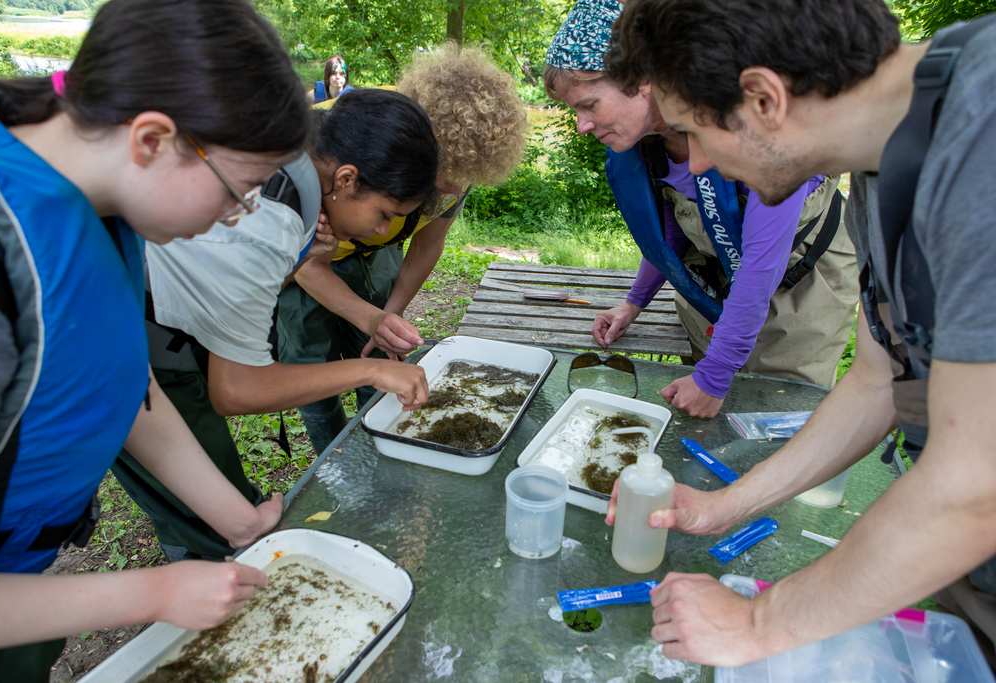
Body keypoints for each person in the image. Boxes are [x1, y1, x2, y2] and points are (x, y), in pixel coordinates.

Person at [603, 0, 996, 668]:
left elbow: (974, 485)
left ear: (763, 98)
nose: (694, 165)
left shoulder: (979, 136)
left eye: (696, 131)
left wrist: (760, 619)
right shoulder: (892, 151)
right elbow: (875, 380)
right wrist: (726, 505)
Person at [0, 0, 310, 679]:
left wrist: (238, 524)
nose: (234, 219)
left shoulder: (101, 199)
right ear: (152, 139)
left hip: (23, 578)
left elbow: (125, 384)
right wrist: (150, 590)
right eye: (238, 191)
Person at [114, 89, 439, 562]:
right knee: (210, 519)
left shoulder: (295, 158)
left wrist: (307, 252)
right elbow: (237, 390)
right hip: (136, 348)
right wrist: (370, 372)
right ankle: (196, 571)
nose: (377, 233)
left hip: (159, 336)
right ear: (346, 178)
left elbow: (242, 289)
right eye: (384, 214)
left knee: (213, 500)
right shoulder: (275, 215)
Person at [544, 0, 859, 418]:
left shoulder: (762, 125)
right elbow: (669, 233)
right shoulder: (648, 138)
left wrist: (715, 375)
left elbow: (760, 267)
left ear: (642, 78)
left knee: (779, 414)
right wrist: (635, 302)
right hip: (713, 290)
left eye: (589, 104)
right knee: (706, 424)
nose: (582, 125)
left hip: (799, 286)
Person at [278, 43, 529, 455]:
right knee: (310, 361)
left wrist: (387, 315)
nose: (452, 186)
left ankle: (375, 443)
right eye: (443, 168)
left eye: (467, 176)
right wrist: (368, 315)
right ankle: (332, 458)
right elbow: (304, 261)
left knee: (380, 358)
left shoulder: (454, 184)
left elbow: (430, 242)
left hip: (374, 259)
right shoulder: (359, 155)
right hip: (311, 264)